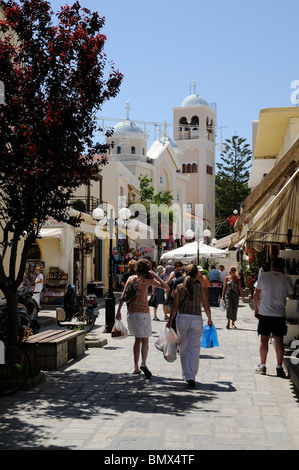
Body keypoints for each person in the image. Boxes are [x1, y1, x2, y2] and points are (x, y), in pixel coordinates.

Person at [116, 258, 169, 377]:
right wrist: (156, 276)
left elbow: (123, 296)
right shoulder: (148, 280)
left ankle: (135, 367)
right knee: (145, 339)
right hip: (143, 313)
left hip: (132, 313)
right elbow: (166, 287)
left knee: (137, 340)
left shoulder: (131, 279)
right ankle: (144, 363)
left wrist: (118, 311)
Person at [166, 263, 213, 389]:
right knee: (195, 348)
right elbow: (206, 304)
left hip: (182, 319)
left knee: (183, 348)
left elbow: (175, 306)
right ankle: (191, 376)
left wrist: (170, 320)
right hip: (196, 319)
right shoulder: (201, 288)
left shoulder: (180, 287)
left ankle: (185, 374)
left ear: (185, 273)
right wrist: (209, 318)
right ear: (197, 274)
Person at [253, 257, 294, 377]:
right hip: (279, 314)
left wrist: (256, 308)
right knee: (279, 340)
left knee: (264, 339)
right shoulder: (286, 279)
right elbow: (291, 296)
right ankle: (279, 367)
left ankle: (262, 366)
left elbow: (256, 293)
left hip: (265, 313)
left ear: (272, 265)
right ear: (283, 267)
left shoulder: (264, 276)